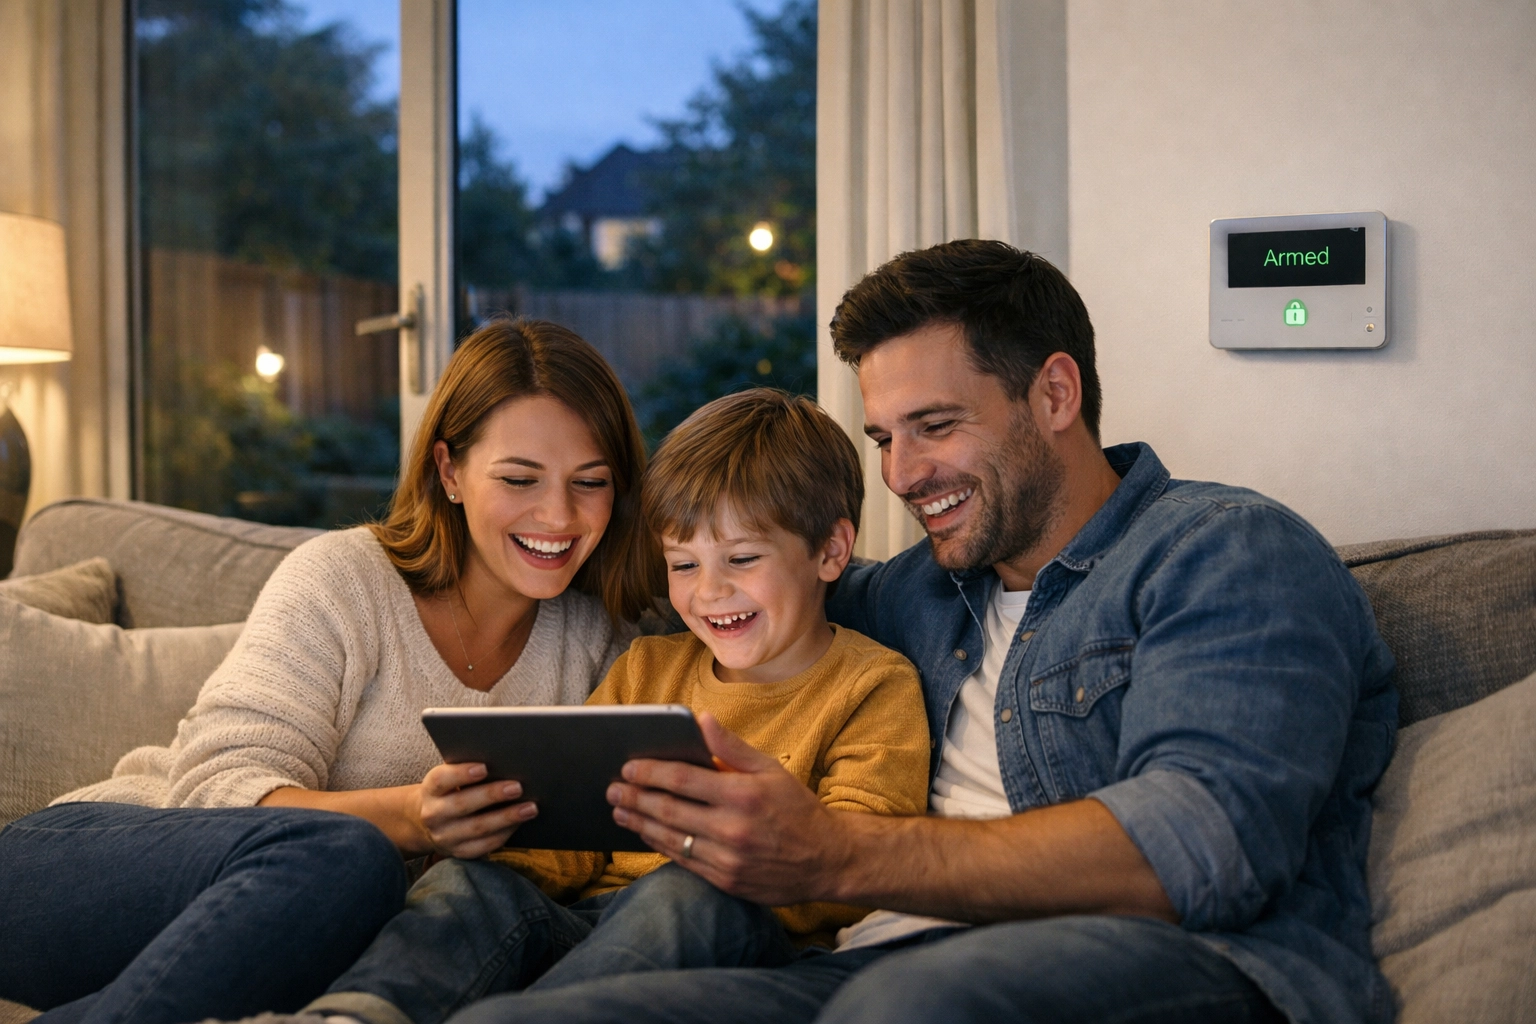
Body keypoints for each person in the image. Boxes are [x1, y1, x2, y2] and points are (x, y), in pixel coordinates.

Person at [447, 241, 1400, 1024]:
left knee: (908, 1006)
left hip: (1190, 966)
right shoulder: (918, 592)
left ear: (1055, 395)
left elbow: (1206, 844)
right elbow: (736, 580)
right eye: (883, 440)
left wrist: (836, 853)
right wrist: (491, 558)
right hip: (862, 966)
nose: (903, 474)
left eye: (935, 426)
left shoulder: (1225, 552)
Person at [0, 318, 661, 1024]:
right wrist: (414, 819)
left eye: (589, 482)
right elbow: (213, 791)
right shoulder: (347, 580)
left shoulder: (603, 643)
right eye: (519, 478)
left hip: (302, 937)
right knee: (353, 858)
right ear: (449, 471)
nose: (558, 515)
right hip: (84, 864)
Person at [282, 388, 929, 1024]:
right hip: (590, 928)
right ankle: (353, 1015)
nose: (709, 591)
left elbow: (851, 866)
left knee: (689, 893)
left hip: (732, 932)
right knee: (471, 886)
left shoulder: (872, 686)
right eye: (682, 565)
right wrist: (500, 850)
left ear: (831, 552)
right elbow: (577, 831)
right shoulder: (647, 667)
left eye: (741, 558)